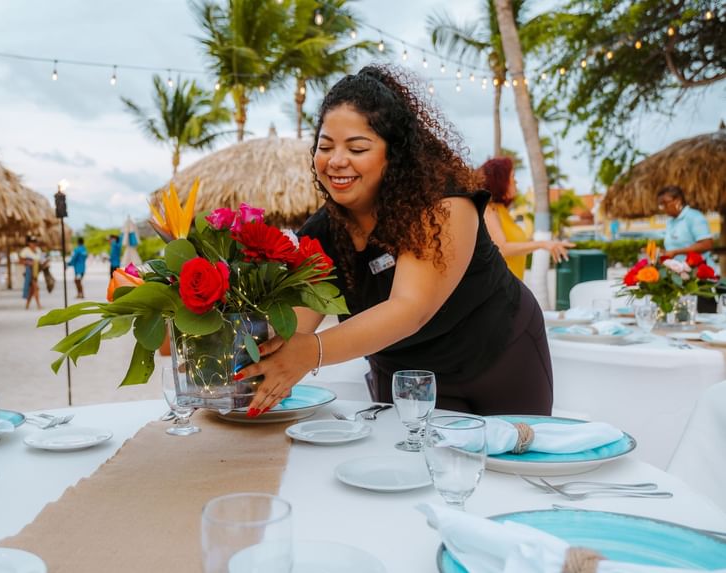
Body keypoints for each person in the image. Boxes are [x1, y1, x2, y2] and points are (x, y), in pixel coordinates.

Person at [240, 65, 553, 417]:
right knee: (412, 467)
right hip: (406, 378)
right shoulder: (323, 233)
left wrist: (311, 352)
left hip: (500, 358)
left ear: (395, 153)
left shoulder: (445, 205)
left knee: (513, 466)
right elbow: (290, 328)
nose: (337, 161)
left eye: (357, 148)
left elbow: (409, 309)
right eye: (325, 146)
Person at [478, 156, 574, 280]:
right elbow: (502, 248)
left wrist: (550, 243)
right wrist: (543, 244)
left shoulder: (501, 210)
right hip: (500, 290)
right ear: (500, 181)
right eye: (512, 177)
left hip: (512, 286)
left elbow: (514, 245)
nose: (516, 182)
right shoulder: (489, 210)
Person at [658, 185, 715, 265]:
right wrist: (664, 252)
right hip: (680, 272)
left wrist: (676, 252)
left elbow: (707, 244)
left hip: (698, 272)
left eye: (665, 203)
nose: (663, 208)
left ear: (678, 200)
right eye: (660, 205)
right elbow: (673, 247)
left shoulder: (694, 216)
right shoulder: (670, 221)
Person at [20, 236, 43, 310]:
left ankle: (27, 304)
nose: (33, 244)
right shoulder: (25, 250)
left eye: (35, 242)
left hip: (36, 271)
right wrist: (28, 262)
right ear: (29, 243)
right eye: (32, 242)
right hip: (29, 271)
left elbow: (40, 260)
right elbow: (21, 261)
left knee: (32, 289)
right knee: (36, 287)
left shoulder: (38, 250)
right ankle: (38, 304)